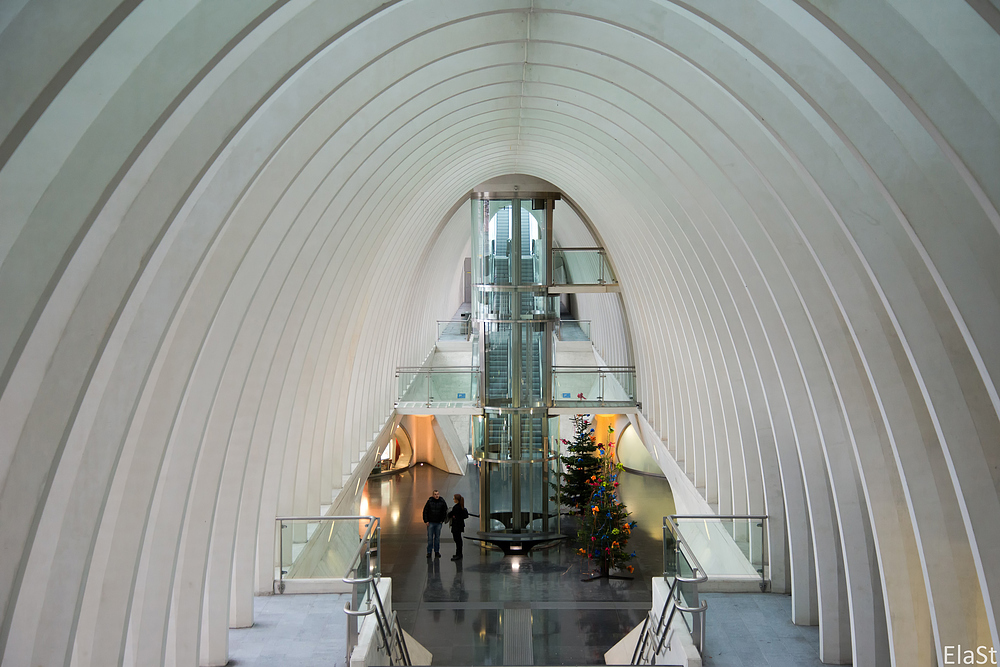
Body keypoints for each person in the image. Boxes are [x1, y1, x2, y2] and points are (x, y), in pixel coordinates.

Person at [422, 489, 448, 558]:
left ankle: (437, 552)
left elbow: (445, 511)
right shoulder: (429, 502)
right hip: (431, 522)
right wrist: (426, 521)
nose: (437, 496)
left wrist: (442, 520)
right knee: (430, 538)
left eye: (437, 494)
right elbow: (425, 511)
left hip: (438, 523)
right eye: (435, 494)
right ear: (433, 495)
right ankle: (429, 552)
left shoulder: (442, 502)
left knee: (437, 538)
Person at [447, 493, 470, 560]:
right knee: (458, 540)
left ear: (456, 500)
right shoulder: (461, 506)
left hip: (456, 526)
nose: (453, 500)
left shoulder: (456, 507)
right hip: (460, 525)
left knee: (457, 540)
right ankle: (459, 553)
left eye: (454, 498)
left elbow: (450, 514)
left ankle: (458, 554)